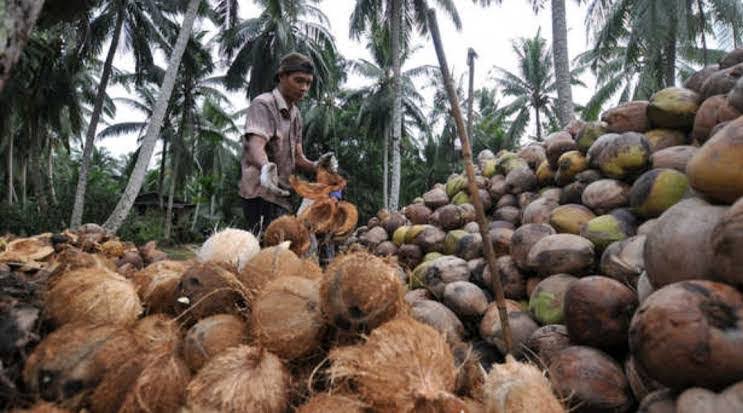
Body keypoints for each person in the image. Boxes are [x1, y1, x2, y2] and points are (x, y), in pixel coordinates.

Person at [239, 52, 337, 234]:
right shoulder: (264, 104)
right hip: (261, 192)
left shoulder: (296, 115)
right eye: (298, 81)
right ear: (282, 76)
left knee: (283, 250)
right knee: (263, 251)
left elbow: (298, 158)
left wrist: (317, 165)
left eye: (308, 83)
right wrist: (265, 167)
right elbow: (255, 145)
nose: (304, 88)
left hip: (282, 195)